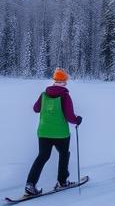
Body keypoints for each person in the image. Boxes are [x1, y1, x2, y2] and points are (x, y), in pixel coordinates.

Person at [24, 68, 83, 196]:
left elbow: (35, 109)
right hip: (60, 133)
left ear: (54, 80)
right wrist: (77, 120)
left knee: (42, 156)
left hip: (44, 132)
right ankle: (62, 181)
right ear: (64, 82)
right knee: (64, 154)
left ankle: (30, 184)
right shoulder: (65, 96)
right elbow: (69, 116)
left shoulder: (44, 94)